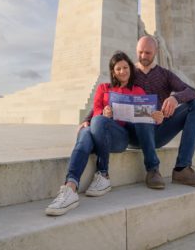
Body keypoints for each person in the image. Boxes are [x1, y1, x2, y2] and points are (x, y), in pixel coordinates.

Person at [82, 36, 195, 190]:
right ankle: (152, 169)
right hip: (133, 132)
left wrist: (175, 99)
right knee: (142, 111)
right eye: (140, 52)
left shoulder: (165, 74)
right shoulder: (128, 72)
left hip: (159, 130)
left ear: (156, 52)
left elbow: (192, 91)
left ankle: (182, 168)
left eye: (148, 53)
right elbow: (108, 95)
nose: (143, 56)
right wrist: (88, 119)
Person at [45, 50, 163, 216]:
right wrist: (103, 113)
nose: (123, 72)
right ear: (113, 72)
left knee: (95, 124)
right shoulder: (103, 89)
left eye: (125, 67)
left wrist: (156, 115)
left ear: (130, 68)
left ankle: (103, 172)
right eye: (118, 69)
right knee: (87, 131)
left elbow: (146, 116)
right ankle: (70, 187)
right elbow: (96, 111)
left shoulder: (138, 91)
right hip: (98, 130)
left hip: (119, 137)